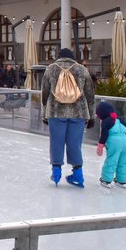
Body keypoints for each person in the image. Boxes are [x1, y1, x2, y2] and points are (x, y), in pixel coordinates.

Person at [41, 47, 95, 187]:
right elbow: (90, 94)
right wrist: (91, 115)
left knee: (56, 142)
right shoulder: (82, 69)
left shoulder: (51, 69)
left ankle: (56, 172)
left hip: (56, 112)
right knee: (74, 144)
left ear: (59, 57)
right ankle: (78, 174)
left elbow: (44, 94)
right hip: (79, 113)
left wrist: (45, 114)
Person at [94, 102, 126, 188]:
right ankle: (121, 181)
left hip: (115, 143)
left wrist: (100, 145)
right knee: (123, 162)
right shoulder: (121, 120)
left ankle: (106, 180)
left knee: (112, 160)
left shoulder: (106, 121)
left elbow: (104, 134)